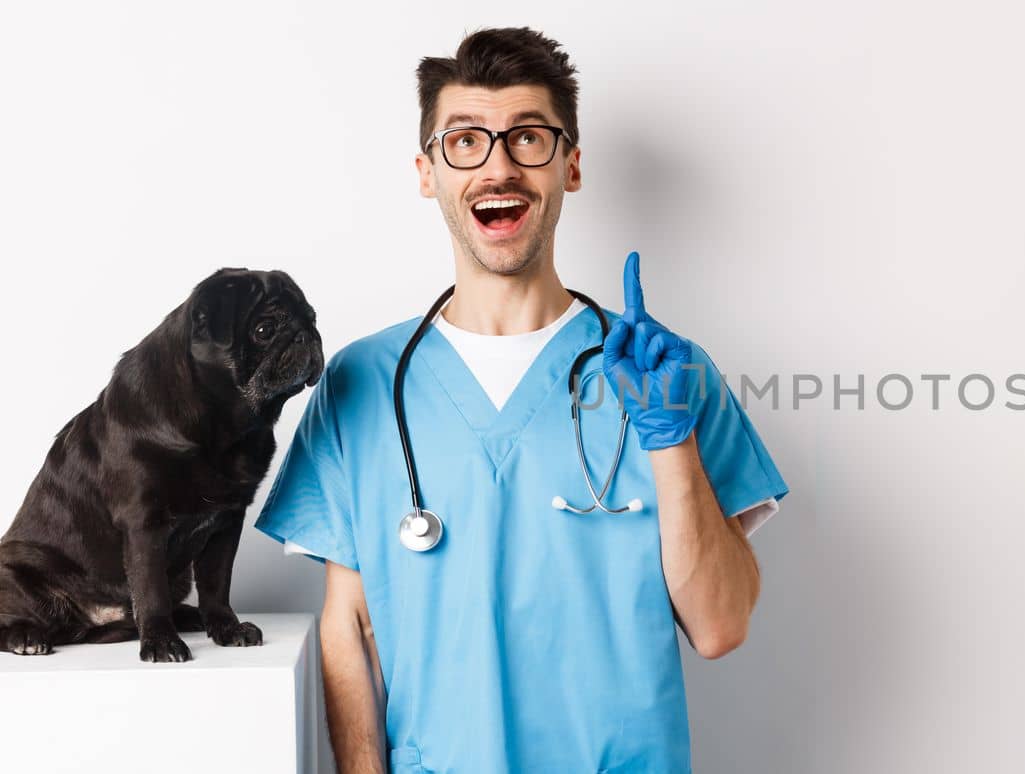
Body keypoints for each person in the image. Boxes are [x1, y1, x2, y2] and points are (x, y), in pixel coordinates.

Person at [252, 27, 788, 773]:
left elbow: (720, 627)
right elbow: (351, 626)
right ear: (427, 171)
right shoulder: (363, 383)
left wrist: (670, 439)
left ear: (570, 166)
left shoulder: (666, 371)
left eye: (528, 138)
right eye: (465, 141)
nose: (498, 166)